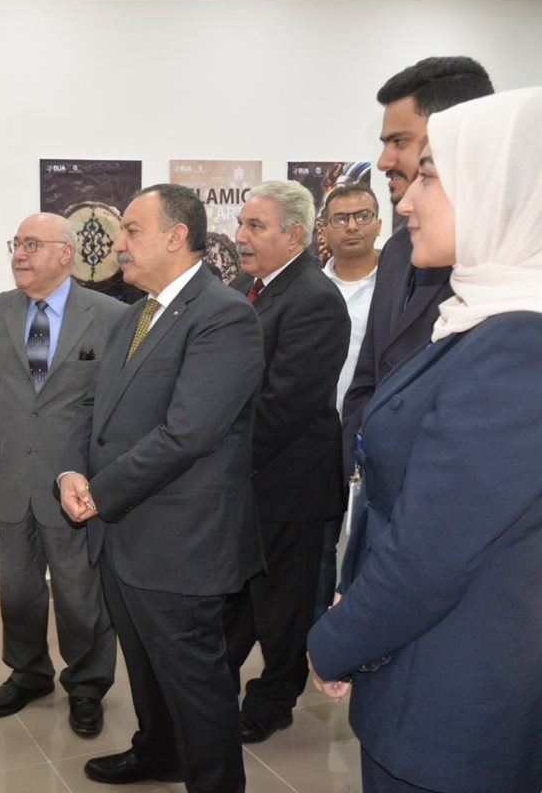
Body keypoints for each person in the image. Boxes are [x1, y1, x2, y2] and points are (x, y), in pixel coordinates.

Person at [308, 87, 542, 793]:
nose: (406, 201)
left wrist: (335, 640)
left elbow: (432, 552)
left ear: (498, 191)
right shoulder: (481, 318)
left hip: (451, 709)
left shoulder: (518, 346)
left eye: (431, 177)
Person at [57, 184, 264, 791]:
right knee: (145, 666)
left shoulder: (224, 315)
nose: (117, 244)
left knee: (196, 685)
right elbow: (93, 409)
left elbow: (188, 434)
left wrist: (99, 492)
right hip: (123, 534)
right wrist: (70, 472)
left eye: (131, 230)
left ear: (176, 236)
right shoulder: (135, 313)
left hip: (181, 542)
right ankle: (157, 753)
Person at [0, 213, 123, 735]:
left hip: (74, 480)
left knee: (79, 591)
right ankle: (28, 672)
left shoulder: (110, 315)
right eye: (16, 244)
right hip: (11, 472)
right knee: (17, 587)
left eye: (32, 244)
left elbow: (112, 401)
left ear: (65, 253)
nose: (19, 253)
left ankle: (87, 684)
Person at [224, 180, 349, 743]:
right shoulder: (245, 289)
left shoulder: (315, 300)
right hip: (246, 480)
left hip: (291, 486)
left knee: (285, 608)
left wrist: (215, 455)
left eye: (255, 226)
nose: (240, 236)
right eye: (241, 223)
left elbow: (283, 407)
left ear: (295, 235)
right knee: (241, 599)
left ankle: (273, 703)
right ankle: (213, 690)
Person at [340, 57, 493, 480]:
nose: (383, 161)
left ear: (456, 137)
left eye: (399, 142)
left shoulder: (502, 262)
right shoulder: (396, 249)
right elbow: (371, 373)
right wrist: (358, 467)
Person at [316, 183, 382, 620]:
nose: (352, 226)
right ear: (324, 228)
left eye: (362, 216)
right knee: (321, 548)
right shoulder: (309, 286)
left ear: (378, 223)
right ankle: (321, 634)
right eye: (340, 218)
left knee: (368, 545)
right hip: (316, 439)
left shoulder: (401, 285)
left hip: (372, 435)